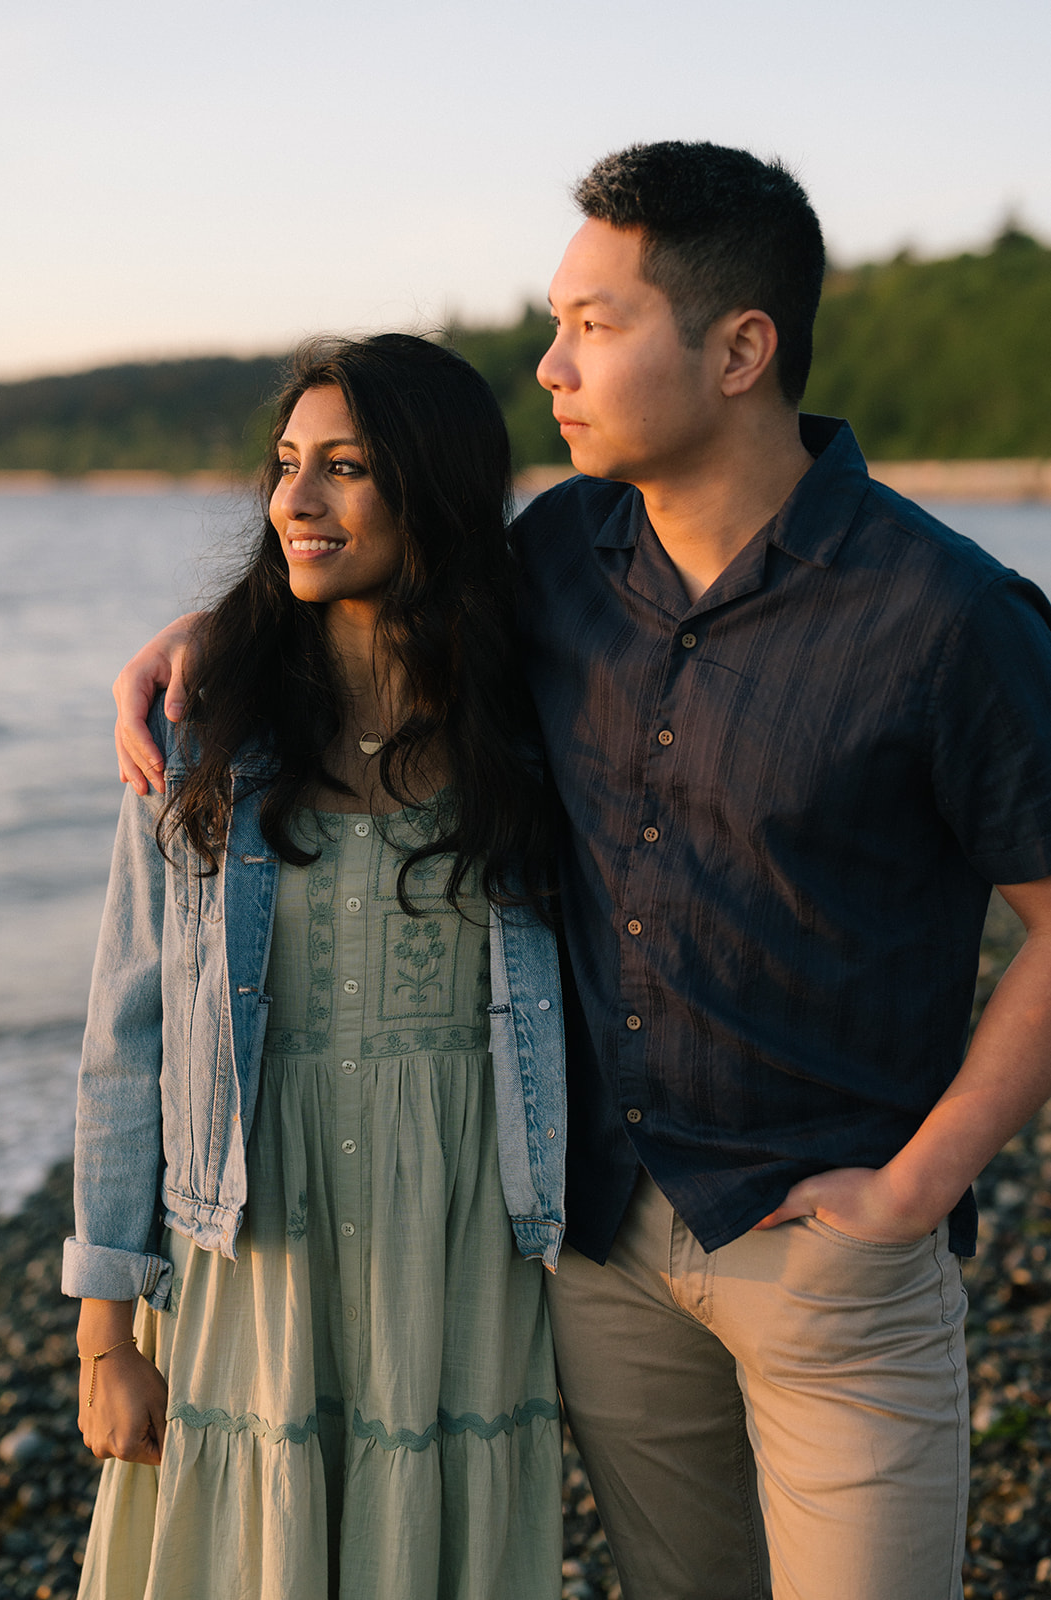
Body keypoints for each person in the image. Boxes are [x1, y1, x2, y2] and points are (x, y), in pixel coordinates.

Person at [112, 142, 1051, 1600]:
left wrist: (919, 1187)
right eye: (555, 321)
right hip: (599, 1246)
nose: (548, 363)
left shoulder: (945, 615)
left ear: (740, 350)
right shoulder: (553, 557)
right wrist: (205, 648)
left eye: (592, 327)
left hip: (830, 1249)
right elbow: (363, 583)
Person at [62, 332, 567, 1600]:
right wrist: (104, 1332)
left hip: (461, 1233)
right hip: (252, 1230)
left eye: (345, 467)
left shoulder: (539, 715)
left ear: (435, 487)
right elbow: (129, 1029)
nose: (294, 498)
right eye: (288, 464)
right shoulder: (200, 725)